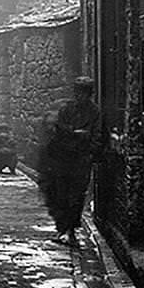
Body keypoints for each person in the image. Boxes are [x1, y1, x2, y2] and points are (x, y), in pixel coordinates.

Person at [37, 76, 104, 243]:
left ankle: (71, 230)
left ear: (89, 94)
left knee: (77, 196)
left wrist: (90, 151)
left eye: (83, 92)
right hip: (64, 158)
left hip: (81, 159)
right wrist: (76, 133)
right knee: (62, 193)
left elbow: (96, 135)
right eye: (78, 92)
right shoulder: (67, 110)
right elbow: (59, 129)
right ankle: (63, 229)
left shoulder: (94, 112)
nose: (79, 96)